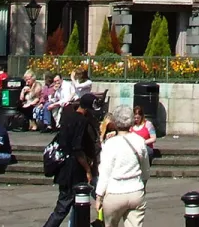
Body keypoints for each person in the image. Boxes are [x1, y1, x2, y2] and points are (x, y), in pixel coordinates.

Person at [41, 94, 99, 227]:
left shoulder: (67, 117)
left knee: (76, 205)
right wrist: (88, 170)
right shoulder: (81, 121)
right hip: (72, 170)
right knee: (63, 206)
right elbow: (77, 148)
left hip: (64, 167)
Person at [94, 105, 150, 227]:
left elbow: (104, 172)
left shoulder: (110, 144)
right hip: (136, 190)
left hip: (115, 192)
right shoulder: (139, 140)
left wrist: (99, 196)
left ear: (115, 122)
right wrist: (143, 185)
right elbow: (146, 169)